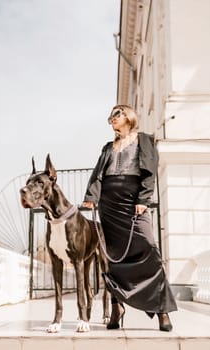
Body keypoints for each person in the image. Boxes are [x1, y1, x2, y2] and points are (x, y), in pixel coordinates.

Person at [82, 104, 177, 331]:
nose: (112, 118)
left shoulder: (144, 140)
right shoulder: (108, 147)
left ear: (128, 116)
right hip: (109, 205)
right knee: (114, 258)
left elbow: (150, 171)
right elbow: (98, 174)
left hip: (133, 201)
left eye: (117, 114)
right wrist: (91, 197)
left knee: (149, 249)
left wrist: (143, 200)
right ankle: (117, 306)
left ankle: (161, 309)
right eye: (111, 116)